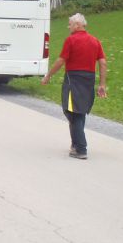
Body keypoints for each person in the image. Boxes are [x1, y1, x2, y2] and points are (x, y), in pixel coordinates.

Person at [41, 13, 108, 160]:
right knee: (79, 111)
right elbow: (102, 63)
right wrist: (102, 84)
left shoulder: (71, 40)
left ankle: (81, 148)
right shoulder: (95, 41)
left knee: (72, 111)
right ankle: (75, 144)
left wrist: (48, 75)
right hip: (89, 79)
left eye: (70, 24)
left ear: (77, 25)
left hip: (73, 79)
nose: (68, 26)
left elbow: (60, 61)